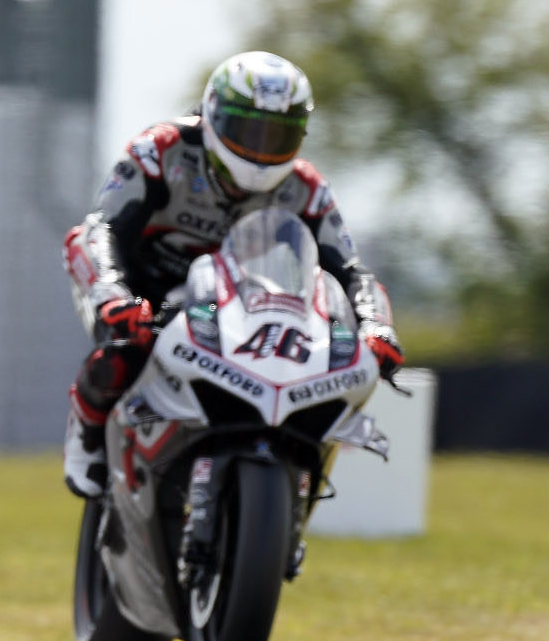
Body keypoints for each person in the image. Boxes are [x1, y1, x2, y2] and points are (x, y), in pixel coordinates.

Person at [60, 51, 404, 498]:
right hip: (148, 286)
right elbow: (102, 228)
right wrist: (113, 295)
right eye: (250, 131)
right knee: (123, 350)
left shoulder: (307, 187)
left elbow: (351, 271)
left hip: (243, 303)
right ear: (215, 116)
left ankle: (295, 475)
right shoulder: (160, 150)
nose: (262, 150)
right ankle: (87, 433)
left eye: (278, 135)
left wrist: (377, 326)